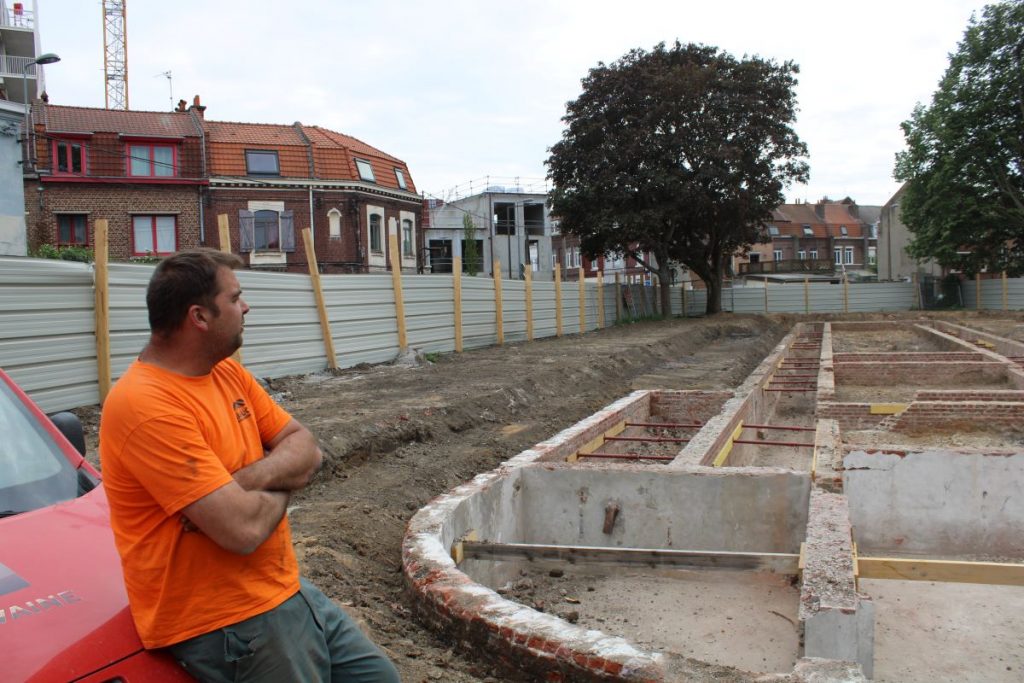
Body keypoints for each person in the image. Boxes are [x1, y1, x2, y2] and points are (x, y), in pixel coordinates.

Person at [100, 249, 399, 682]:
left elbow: (306, 447)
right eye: (235, 297)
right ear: (199, 317)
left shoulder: (226, 374)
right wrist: (286, 476)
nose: (246, 306)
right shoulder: (145, 405)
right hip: (228, 620)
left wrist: (248, 478)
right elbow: (241, 531)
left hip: (281, 588)